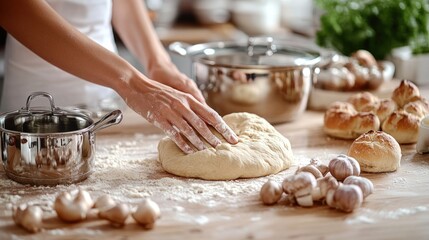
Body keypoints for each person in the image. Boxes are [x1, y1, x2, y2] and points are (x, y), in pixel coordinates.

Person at [0, 0, 238, 154]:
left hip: (108, 106)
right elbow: (14, 8)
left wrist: (159, 64)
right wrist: (132, 83)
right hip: (35, 117)